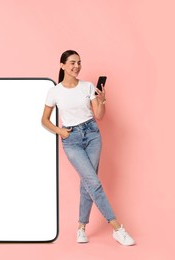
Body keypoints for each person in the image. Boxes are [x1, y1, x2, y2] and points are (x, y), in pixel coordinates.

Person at [41, 50, 135, 246]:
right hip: (71, 139)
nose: (77, 66)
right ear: (62, 65)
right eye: (73, 63)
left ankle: (81, 228)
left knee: (88, 184)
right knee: (93, 182)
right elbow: (44, 120)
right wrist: (60, 131)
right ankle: (118, 228)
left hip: (92, 135)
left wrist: (102, 101)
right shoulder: (55, 91)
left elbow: (99, 115)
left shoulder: (88, 86)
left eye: (79, 63)